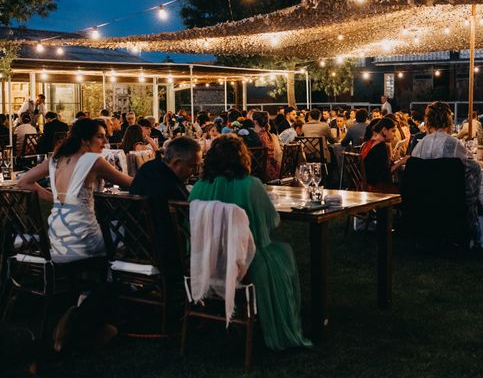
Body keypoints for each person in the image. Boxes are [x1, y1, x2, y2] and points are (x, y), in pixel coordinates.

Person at [17, 119, 132, 352]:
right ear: (84, 140)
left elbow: (24, 181)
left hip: (57, 243)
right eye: (100, 136)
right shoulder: (93, 160)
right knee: (122, 239)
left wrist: (57, 198)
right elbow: (130, 183)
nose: (105, 141)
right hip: (83, 241)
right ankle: (101, 305)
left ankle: (86, 298)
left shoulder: (56, 159)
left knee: (111, 242)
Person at [189, 135, 311, 350]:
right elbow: (273, 222)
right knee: (283, 252)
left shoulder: (199, 187)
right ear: (241, 157)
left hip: (206, 259)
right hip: (246, 262)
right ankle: (287, 315)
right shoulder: (251, 185)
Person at [130, 137, 201, 277]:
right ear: (177, 163)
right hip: (166, 257)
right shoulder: (172, 188)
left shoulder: (147, 168)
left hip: (134, 245)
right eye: (193, 166)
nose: (195, 171)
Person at [411, 102, 481, 220]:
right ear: (449, 122)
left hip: (422, 210)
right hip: (451, 209)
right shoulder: (454, 144)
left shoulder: (419, 146)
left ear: (428, 122)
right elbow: (474, 168)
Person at [360, 117, 406, 193]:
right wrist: (401, 162)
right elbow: (385, 175)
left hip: (363, 185)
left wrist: (391, 161)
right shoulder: (381, 146)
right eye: (393, 131)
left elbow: (377, 166)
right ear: (384, 130)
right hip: (376, 189)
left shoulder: (368, 143)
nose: (394, 135)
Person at [253, 111, 282, 182]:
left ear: (255, 122)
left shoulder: (257, 137)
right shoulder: (269, 135)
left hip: (262, 174)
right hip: (276, 171)